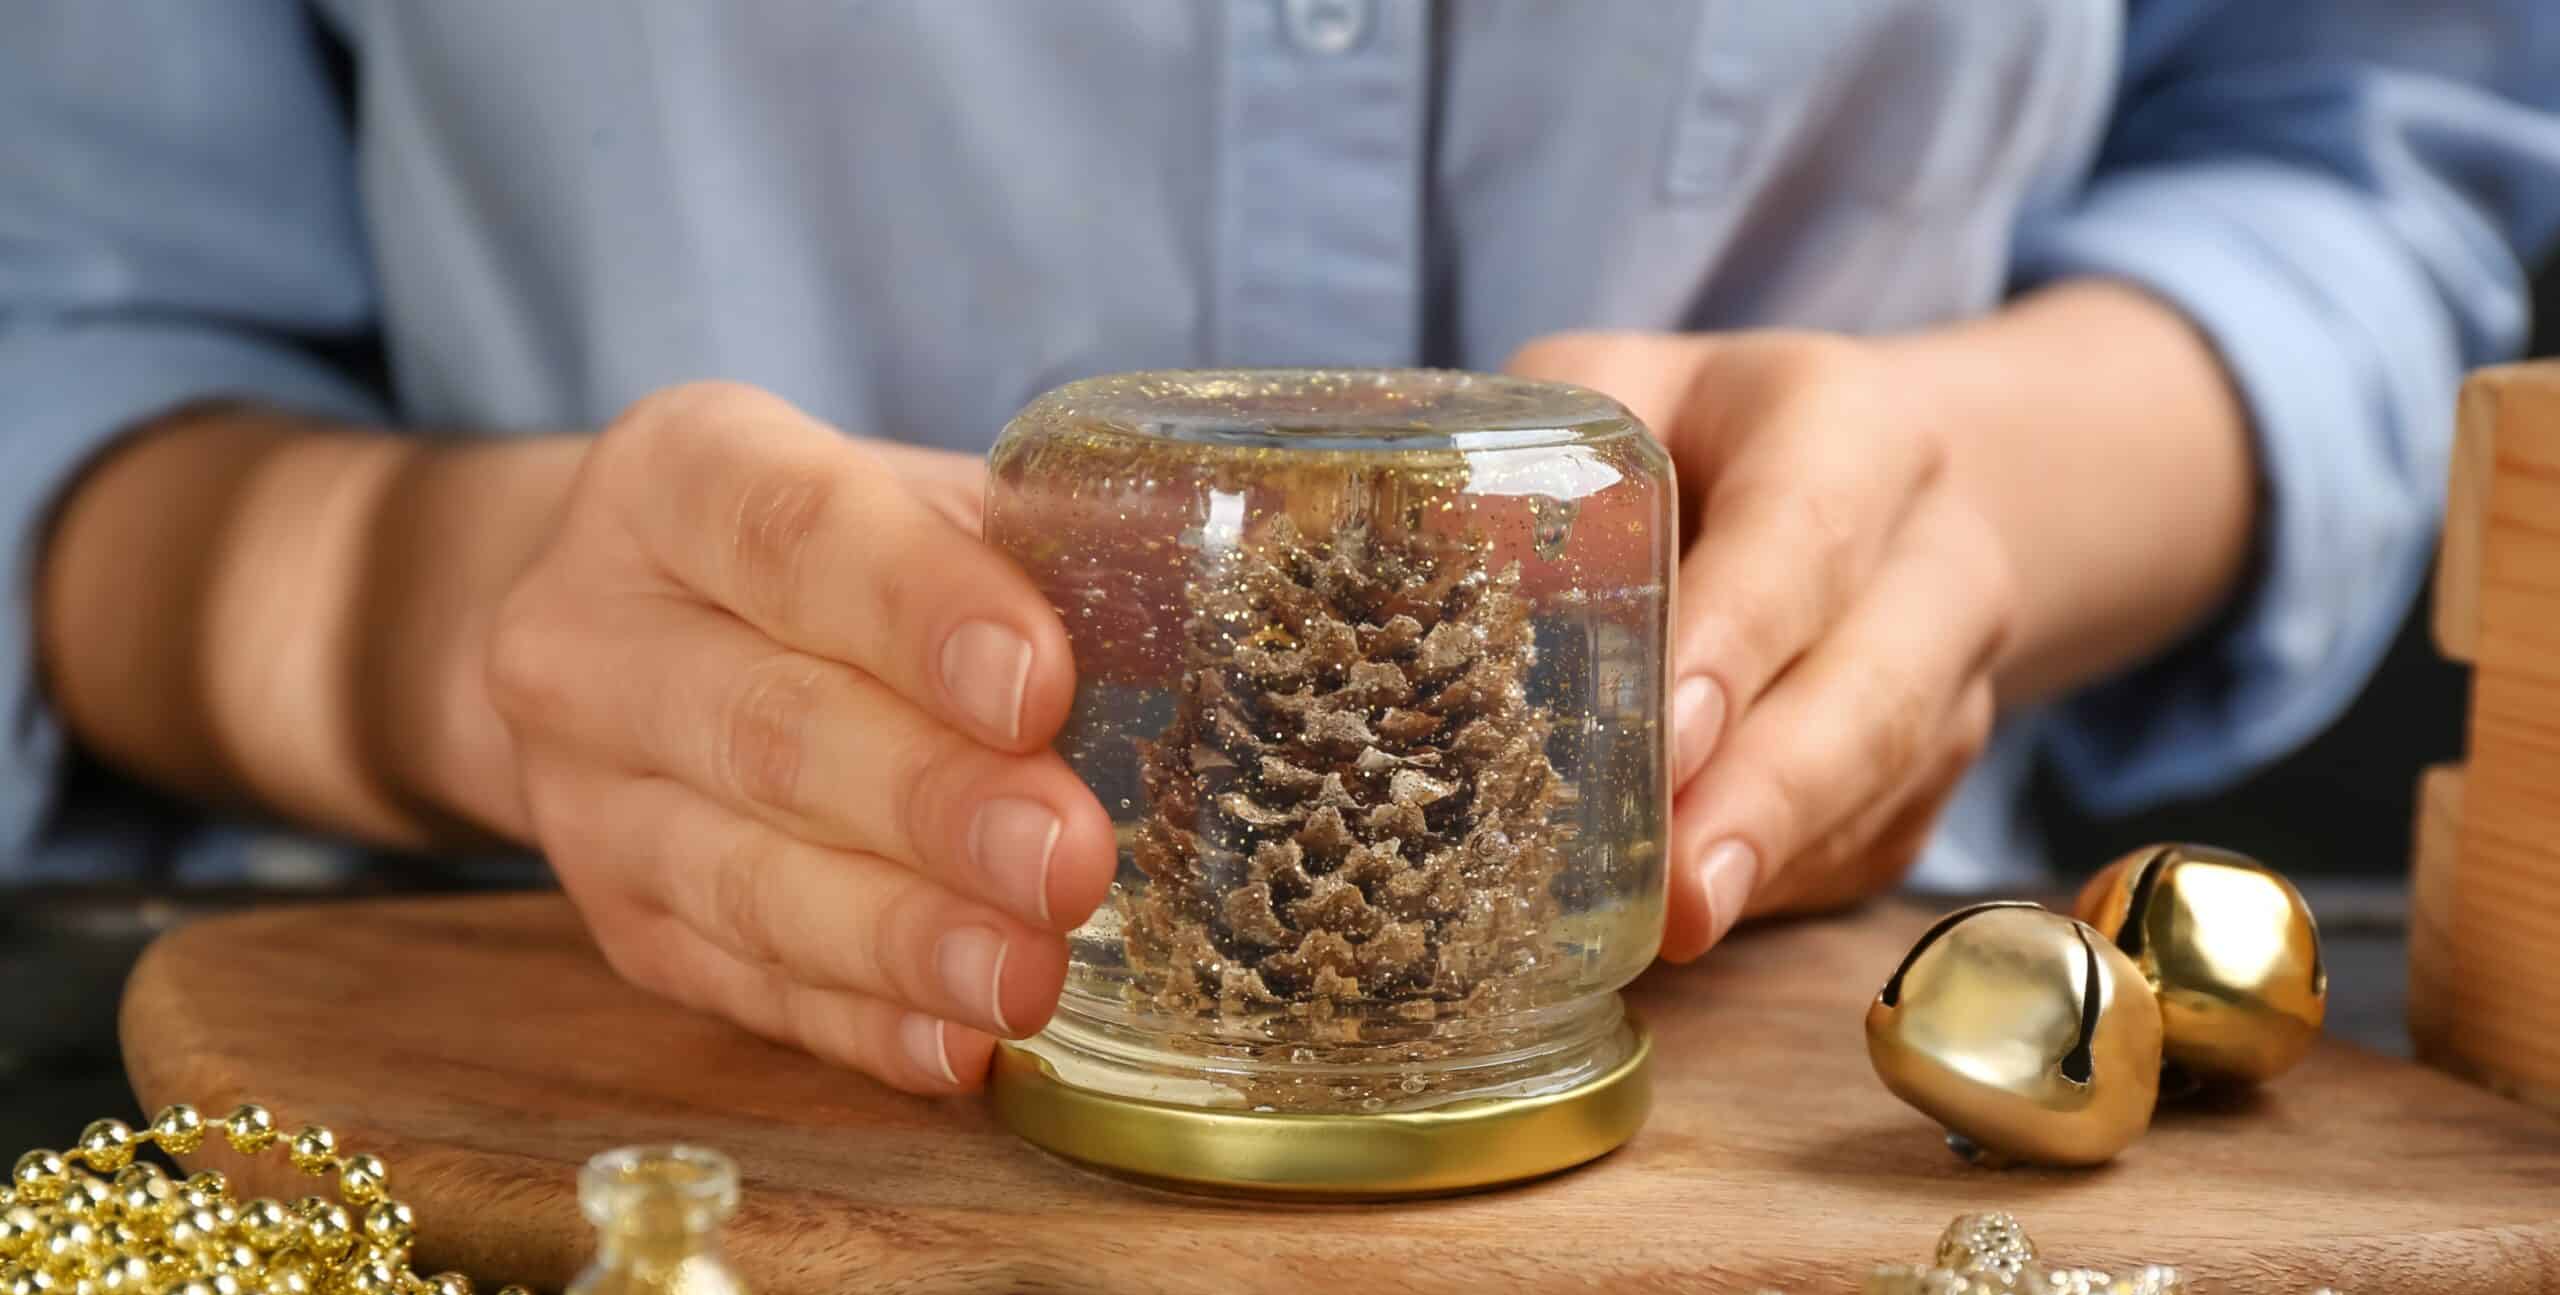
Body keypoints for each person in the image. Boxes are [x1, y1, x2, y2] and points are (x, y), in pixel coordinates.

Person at [5, 4, 2557, 1095]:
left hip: (1786, 1064)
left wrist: (1958, 497)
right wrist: (427, 617)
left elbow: (2358, 146)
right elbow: (68, 342)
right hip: (582, 1048)